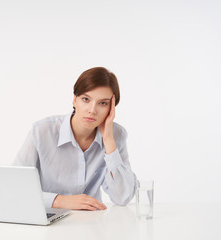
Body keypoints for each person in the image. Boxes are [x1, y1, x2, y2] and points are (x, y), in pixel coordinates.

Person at [13, 67, 137, 211]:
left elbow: (122, 197)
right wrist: (59, 201)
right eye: (85, 99)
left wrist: (108, 140)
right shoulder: (42, 131)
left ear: (111, 108)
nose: (92, 110)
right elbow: (15, 187)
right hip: (46, 220)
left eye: (102, 103)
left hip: (92, 223)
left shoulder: (116, 135)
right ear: (74, 100)